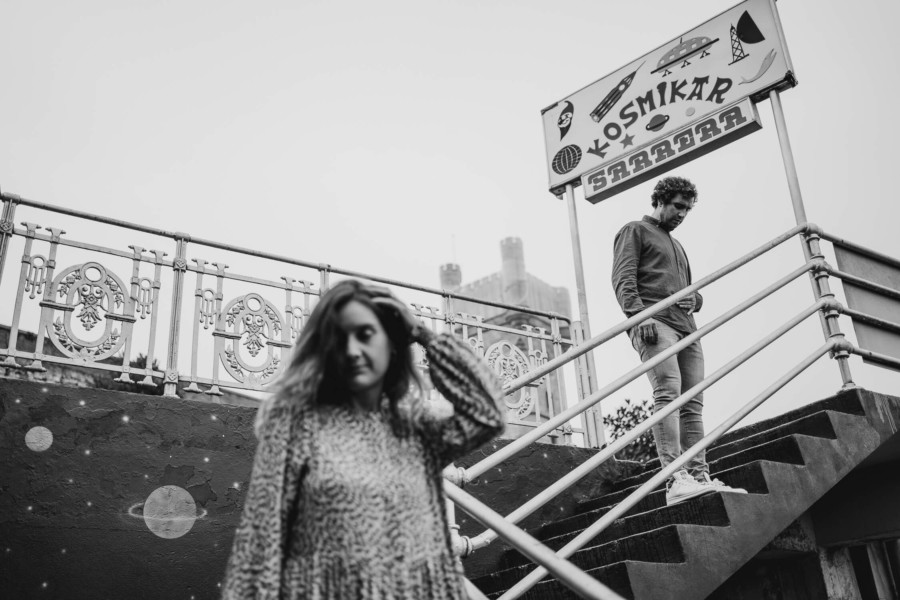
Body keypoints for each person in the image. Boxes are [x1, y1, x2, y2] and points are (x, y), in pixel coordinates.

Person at [221, 279, 505, 599]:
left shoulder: (416, 427)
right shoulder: (296, 425)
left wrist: (423, 334)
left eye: (365, 334)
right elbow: (259, 543)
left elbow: (488, 413)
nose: (352, 350)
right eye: (339, 339)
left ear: (391, 344)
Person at [611, 176, 745, 506]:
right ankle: (675, 478)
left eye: (688, 209)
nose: (683, 214)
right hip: (655, 324)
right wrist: (639, 317)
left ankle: (700, 476)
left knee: (693, 404)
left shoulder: (677, 244)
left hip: (688, 328)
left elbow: (687, 291)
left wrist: (696, 299)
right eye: (678, 206)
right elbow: (622, 278)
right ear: (660, 201)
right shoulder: (635, 230)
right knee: (668, 395)